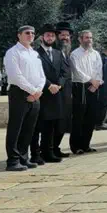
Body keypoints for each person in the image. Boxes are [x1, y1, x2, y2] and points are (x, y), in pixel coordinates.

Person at [3, 25, 44, 171]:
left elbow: (41, 75)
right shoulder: (12, 53)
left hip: (35, 94)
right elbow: (16, 76)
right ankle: (13, 161)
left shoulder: (34, 53)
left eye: (33, 33)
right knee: (16, 128)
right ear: (19, 35)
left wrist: (38, 90)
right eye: (27, 33)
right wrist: (32, 91)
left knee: (29, 129)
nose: (30, 35)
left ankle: (23, 157)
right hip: (19, 94)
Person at [30, 24, 68, 165]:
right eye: (48, 35)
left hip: (56, 93)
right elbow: (36, 73)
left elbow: (65, 72)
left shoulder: (58, 53)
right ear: (42, 37)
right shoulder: (35, 53)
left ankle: (49, 152)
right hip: (42, 93)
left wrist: (59, 85)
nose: (50, 38)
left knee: (51, 126)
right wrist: (49, 85)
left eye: (52, 35)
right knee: (37, 126)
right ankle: (35, 154)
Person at [68, 30, 103, 154]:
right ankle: (76, 146)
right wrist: (91, 80)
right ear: (80, 39)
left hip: (94, 87)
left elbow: (99, 69)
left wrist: (97, 82)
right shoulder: (74, 54)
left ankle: (86, 144)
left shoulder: (96, 54)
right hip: (80, 87)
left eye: (91, 38)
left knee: (91, 117)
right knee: (79, 118)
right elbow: (77, 71)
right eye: (86, 38)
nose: (89, 40)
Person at [53, 21, 73, 158]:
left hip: (66, 92)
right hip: (54, 91)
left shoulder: (67, 51)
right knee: (53, 122)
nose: (65, 38)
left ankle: (55, 147)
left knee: (62, 122)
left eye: (67, 35)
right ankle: (48, 148)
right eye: (62, 35)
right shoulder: (53, 51)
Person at [95, 46, 107, 131]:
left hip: (100, 84)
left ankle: (98, 122)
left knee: (101, 104)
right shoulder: (104, 59)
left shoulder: (101, 57)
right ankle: (99, 123)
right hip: (102, 85)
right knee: (103, 104)